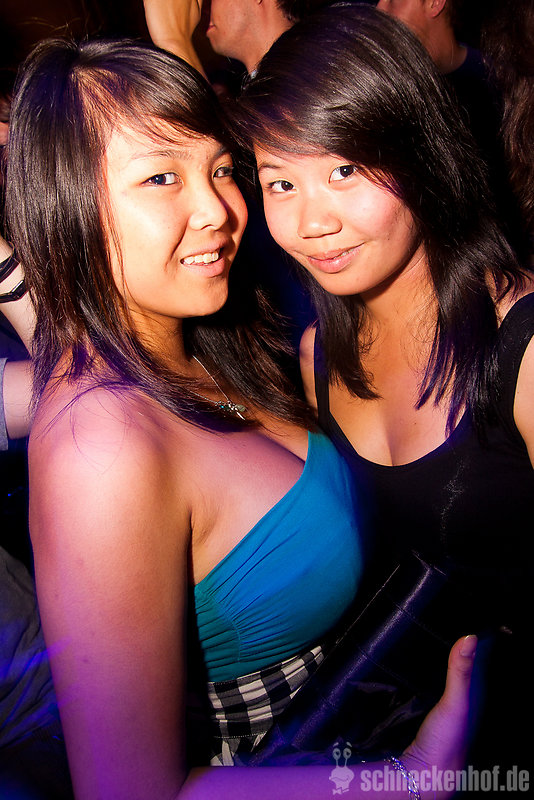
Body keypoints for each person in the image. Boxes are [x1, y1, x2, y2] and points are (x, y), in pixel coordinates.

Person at [2, 34, 476, 800]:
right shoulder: (101, 448)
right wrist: (408, 780)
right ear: (63, 204)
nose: (219, 210)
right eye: (162, 177)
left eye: (222, 169)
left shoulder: (200, 343)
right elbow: (129, 793)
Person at [233, 0, 534, 778]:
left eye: (343, 170)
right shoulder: (317, 357)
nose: (312, 222)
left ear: (421, 152)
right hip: (396, 735)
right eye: (279, 182)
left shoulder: (523, 344)